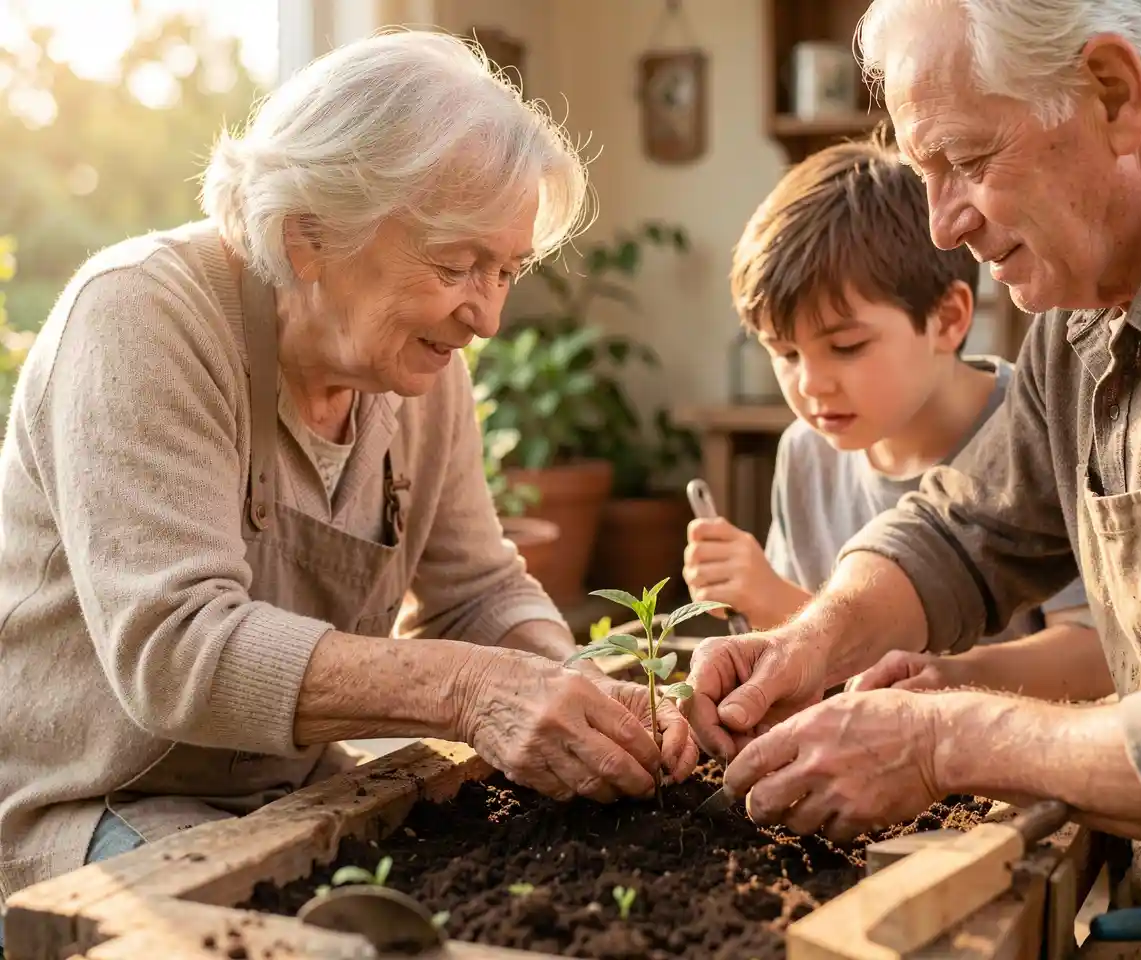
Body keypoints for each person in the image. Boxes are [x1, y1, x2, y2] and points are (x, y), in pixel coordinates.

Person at [0, 31, 697, 925]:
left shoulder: (419, 369)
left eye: (506, 271)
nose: (486, 316)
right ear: (309, 236)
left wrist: (579, 693)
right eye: (457, 267)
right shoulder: (143, 316)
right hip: (96, 805)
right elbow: (173, 649)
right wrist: (469, 688)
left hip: (294, 795)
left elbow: (476, 591)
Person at [684, 0, 1141, 954]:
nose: (943, 221)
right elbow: (964, 529)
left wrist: (941, 740)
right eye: (924, 170)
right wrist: (815, 640)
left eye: (965, 159)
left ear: (1113, 95)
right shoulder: (1089, 301)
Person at [683, 141, 1100, 677]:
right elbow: (825, 663)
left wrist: (785, 607)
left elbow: (1096, 652)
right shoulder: (807, 453)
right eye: (784, 353)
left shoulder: (1039, 427)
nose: (811, 384)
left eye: (847, 346)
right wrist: (760, 602)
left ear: (948, 319)